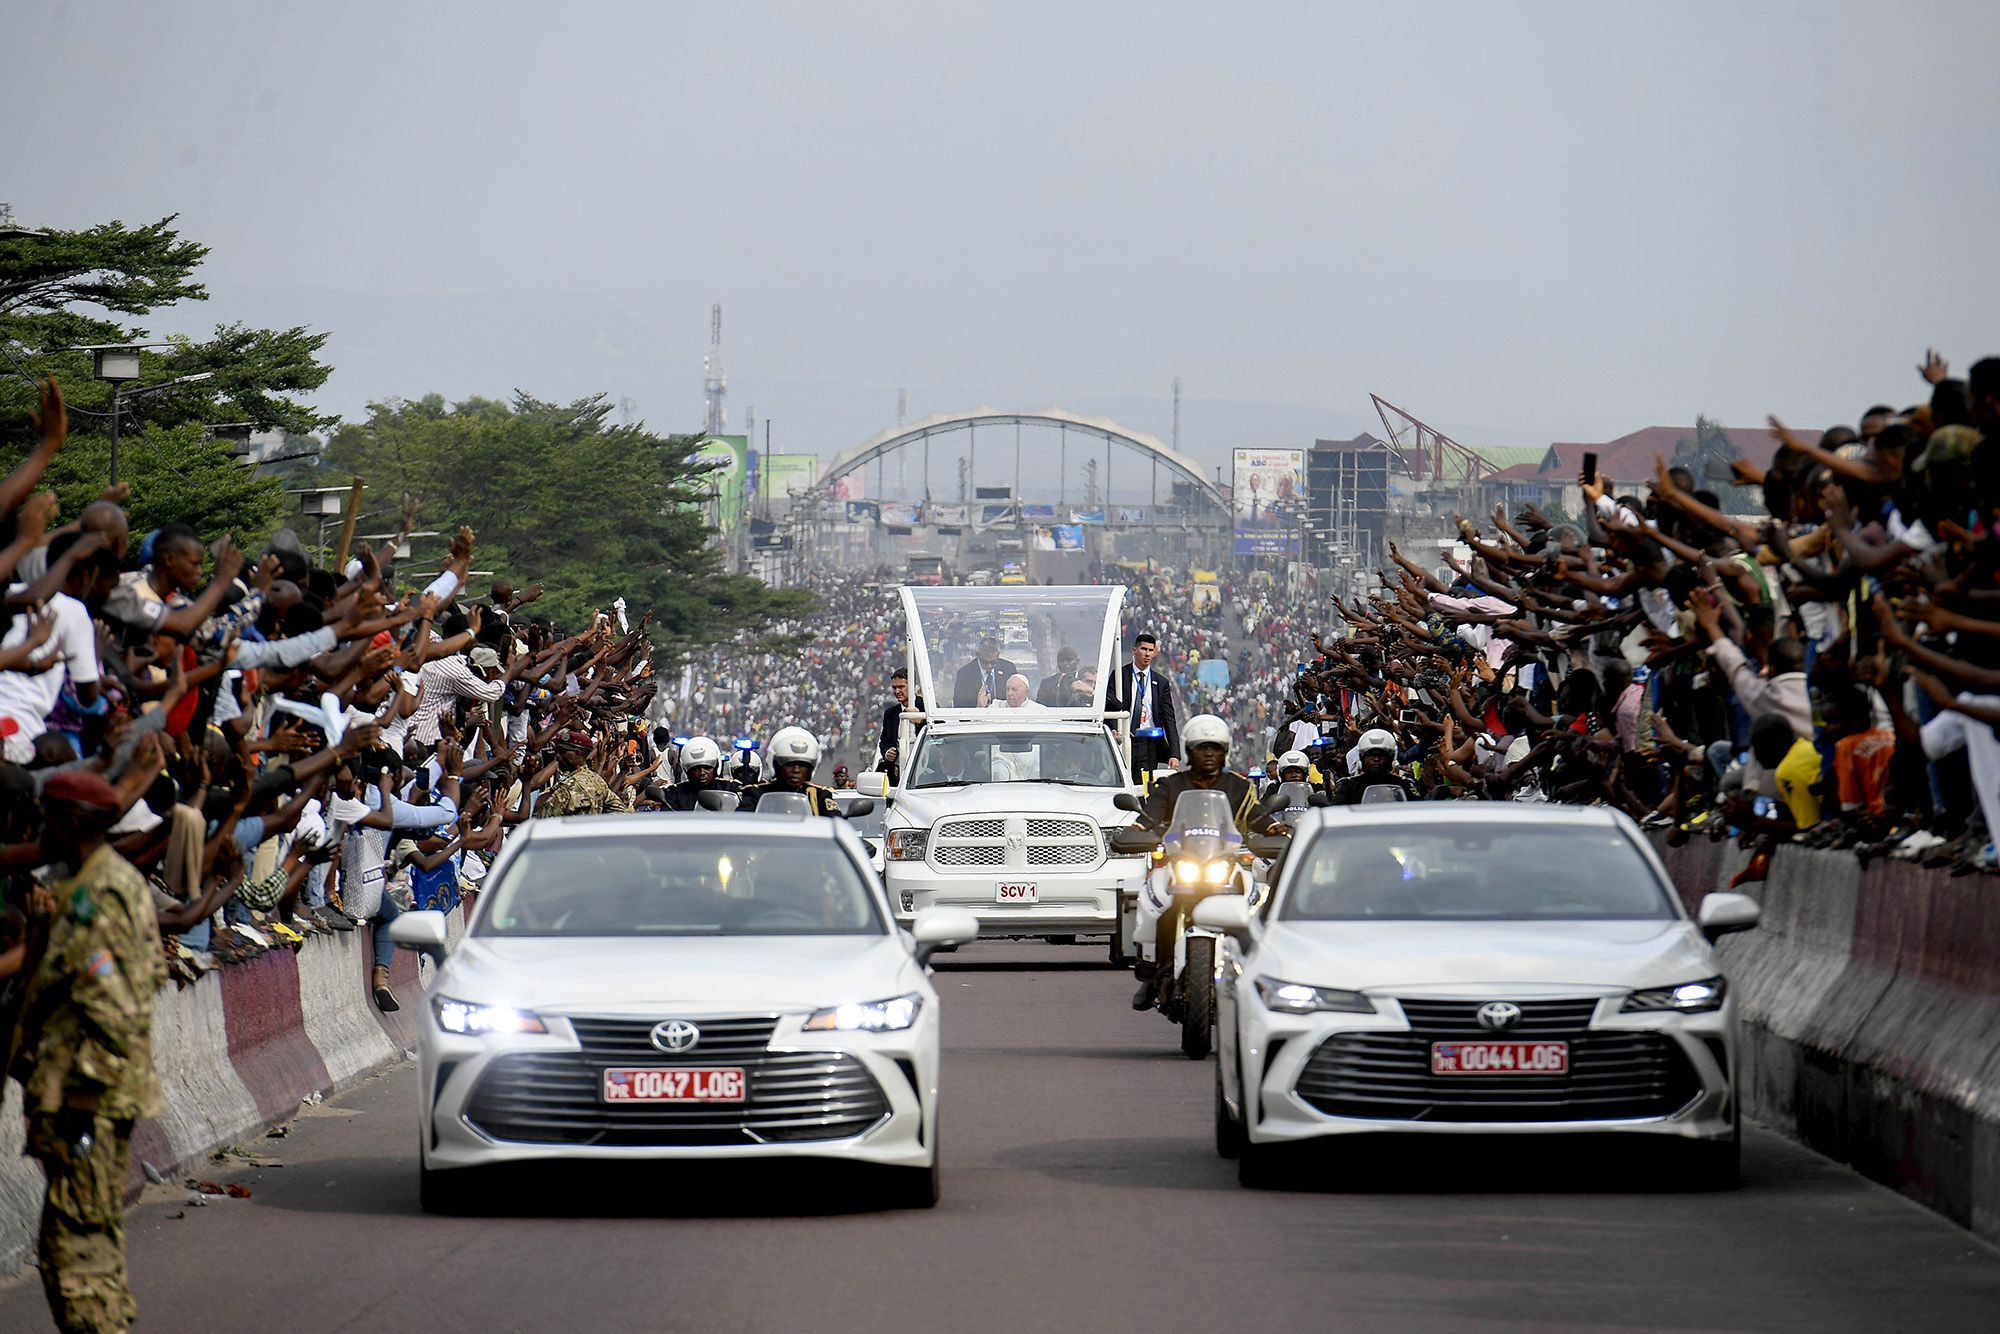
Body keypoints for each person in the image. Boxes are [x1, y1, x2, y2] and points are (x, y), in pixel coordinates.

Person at [8, 769, 166, 1334]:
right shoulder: (100, 884)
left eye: (48, 818)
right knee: (81, 1241)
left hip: (89, 1105)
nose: (39, 830)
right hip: (86, 1098)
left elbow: (114, 1009)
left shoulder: (97, 894)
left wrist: (79, 1103)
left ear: (71, 822)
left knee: (78, 1254)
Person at [1131, 714, 1275, 1011]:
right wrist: (1134, 831)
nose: (1209, 753)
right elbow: (1148, 818)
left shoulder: (1239, 787)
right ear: (1188, 751)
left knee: (1254, 907)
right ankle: (1153, 974)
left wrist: (1276, 830)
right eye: (1201, 747)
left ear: (1225, 751)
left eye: (1215, 748)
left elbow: (1259, 818)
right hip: (1182, 863)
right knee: (1160, 907)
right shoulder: (1171, 785)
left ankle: (1254, 970)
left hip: (1225, 864)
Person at [1115, 631, 1181, 781]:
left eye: (1151, 650)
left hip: (1149, 744)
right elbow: (1110, 705)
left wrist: (1174, 754)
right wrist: (1113, 728)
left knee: (1144, 787)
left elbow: (1169, 719)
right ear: (1134, 651)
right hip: (1125, 740)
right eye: (1144, 649)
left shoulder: (1161, 683)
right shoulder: (1120, 675)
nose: (1147, 654)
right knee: (1123, 781)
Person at [738, 726, 839, 815]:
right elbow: (740, 823)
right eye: (789, 764)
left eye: (803, 765)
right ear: (776, 765)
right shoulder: (757, 794)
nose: (796, 770)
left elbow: (836, 824)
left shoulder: (819, 796)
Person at [534, 729, 633, 817]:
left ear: (577, 755)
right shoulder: (597, 781)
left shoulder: (568, 787)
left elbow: (542, 820)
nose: (557, 756)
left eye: (562, 752)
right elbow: (620, 812)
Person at [1333, 728, 1421, 804]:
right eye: (1371, 755)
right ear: (1361, 758)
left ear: (1391, 758)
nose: (1376, 759)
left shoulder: (1404, 784)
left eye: (1381, 755)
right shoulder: (1348, 786)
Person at [659, 736, 741, 811]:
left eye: (707, 767)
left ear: (717, 766)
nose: (702, 773)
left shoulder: (731, 789)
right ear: (686, 769)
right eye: (695, 768)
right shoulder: (675, 794)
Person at [953, 635, 1017, 708]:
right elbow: (959, 707)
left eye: (993, 662)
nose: (989, 666)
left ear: (998, 655)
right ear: (977, 655)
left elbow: (1018, 700)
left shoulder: (1009, 669)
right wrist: (978, 708)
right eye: (985, 662)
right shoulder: (964, 674)